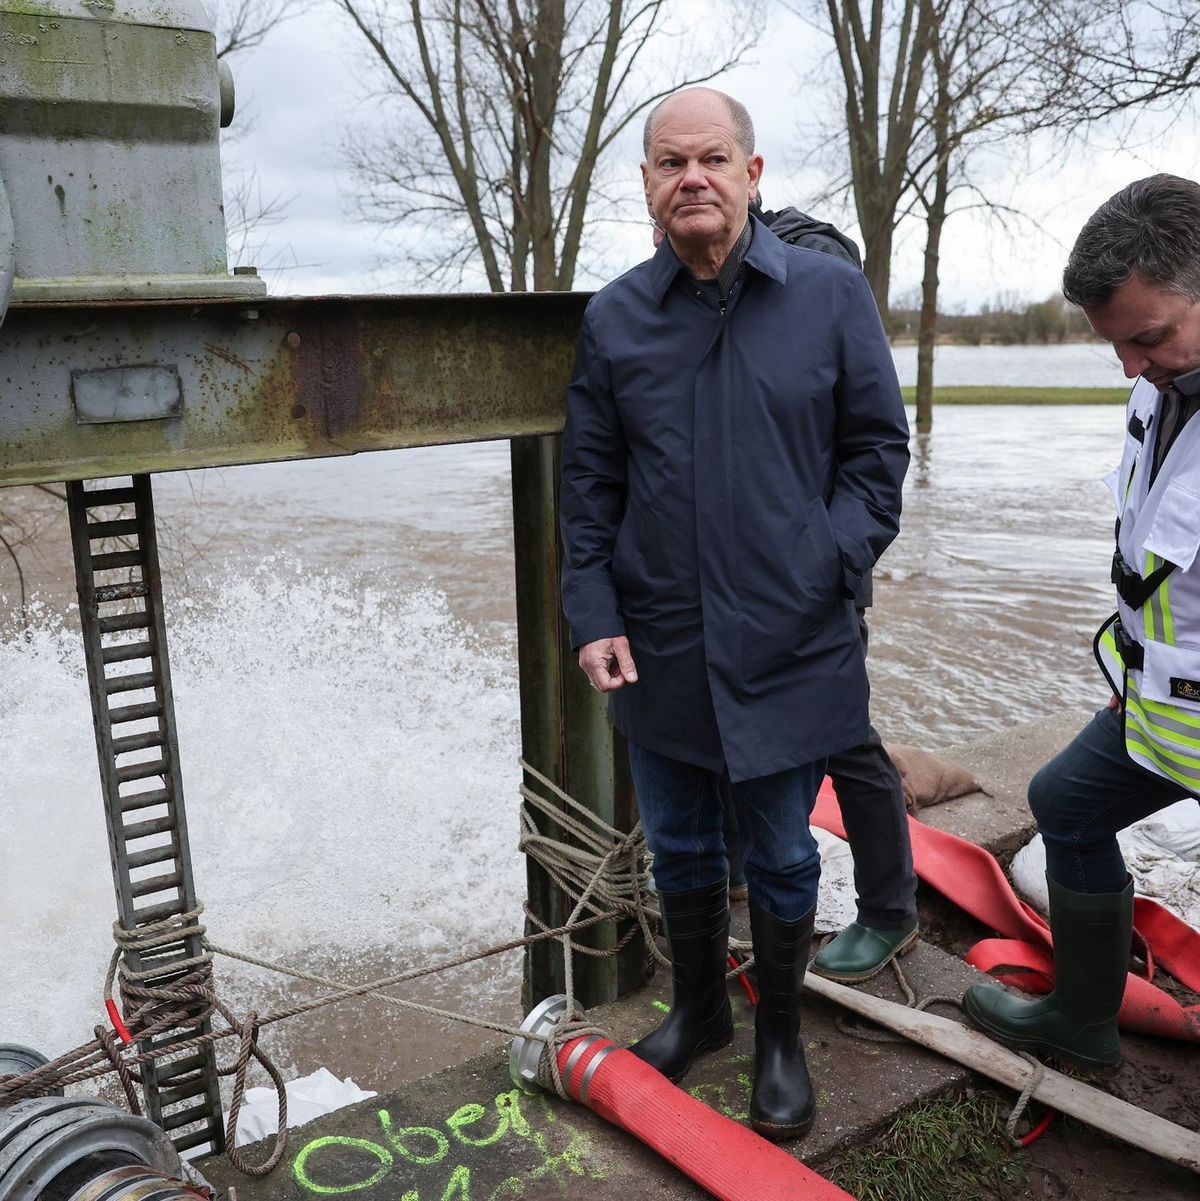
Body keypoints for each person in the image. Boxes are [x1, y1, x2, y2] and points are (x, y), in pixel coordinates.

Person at [559, 87, 909, 1140]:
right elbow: (590, 490)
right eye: (671, 164)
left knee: (784, 854)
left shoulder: (831, 296)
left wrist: (823, 559)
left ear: (753, 174)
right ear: (649, 187)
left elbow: (878, 456)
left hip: (794, 638)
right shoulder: (618, 316)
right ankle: (700, 1011)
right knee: (678, 847)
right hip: (660, 641)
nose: (692, 178)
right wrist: (593, 612)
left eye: (712, 158)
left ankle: (779, 1038)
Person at [963, 174, 1200, 1071]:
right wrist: (1138, 689)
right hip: (1167, 704)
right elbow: (1156, 565)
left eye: (1147, 339)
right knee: (1065, 800)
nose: (1132, 368)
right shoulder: (1159, 387)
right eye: (1116, 348)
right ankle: (1085, 1019)